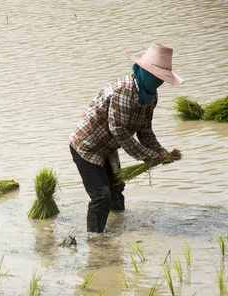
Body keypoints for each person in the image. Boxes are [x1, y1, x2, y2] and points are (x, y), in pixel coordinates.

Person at [69, 43, 183, 233]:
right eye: (156, 77)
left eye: (162, 79)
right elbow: (119, 131)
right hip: (87, 146)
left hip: (107, 147)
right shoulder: (124, 91)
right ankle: (95, 239)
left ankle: (118, 227)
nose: (159, 82)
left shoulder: (150, 97)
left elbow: (145, 131)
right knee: (101, 196)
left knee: (116, 189)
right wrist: (147, 156)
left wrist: (162, 153)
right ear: (144, 72)